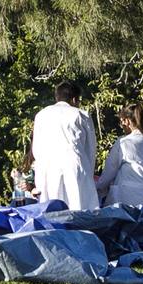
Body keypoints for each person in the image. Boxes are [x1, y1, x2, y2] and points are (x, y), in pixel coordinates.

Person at [30, 82, 98, 212]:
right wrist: (88, 175)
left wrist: (39, 179)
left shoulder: (41, 115)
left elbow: (37, 150)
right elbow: (90, 149)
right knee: (78, 208)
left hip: (49, 167)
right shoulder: (81, 115)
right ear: (74, 99)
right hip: (75, 165)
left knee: (52, 211)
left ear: (57, 97)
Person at [95, 103, 143, 214]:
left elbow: (109, 173)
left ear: (127, 121)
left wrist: (96, 188)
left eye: (121, 122)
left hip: (127, 204)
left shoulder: (123, 142)